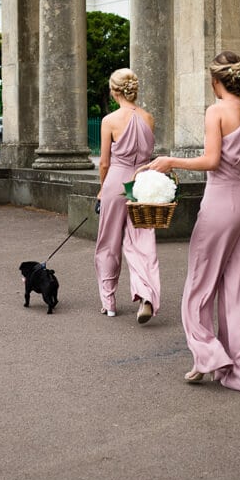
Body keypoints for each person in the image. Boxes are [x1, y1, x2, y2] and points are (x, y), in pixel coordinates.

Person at [148, 51, 240, 393]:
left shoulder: (217, 111)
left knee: (199, 288)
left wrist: (169, 160)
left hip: (220, 204)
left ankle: (209, 356)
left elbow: (211, 160)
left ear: (216, 81)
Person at [94, 68, 161, 323]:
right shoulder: (148, 118)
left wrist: (102, 189)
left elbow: (103, 163)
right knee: (143, 242)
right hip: (142, 184)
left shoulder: (110, 120)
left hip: (115, 182)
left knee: (108, 243)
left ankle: (109, 302)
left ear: (114, 91)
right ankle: (146, 295)